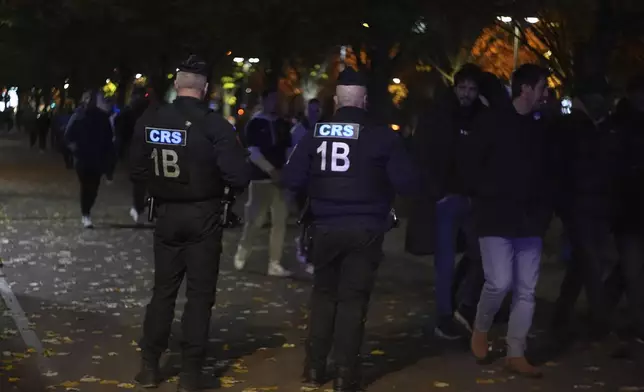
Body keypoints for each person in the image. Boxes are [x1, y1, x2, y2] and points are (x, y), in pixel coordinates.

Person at [282, 67, 419, 392]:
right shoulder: (382, 135)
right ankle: (345, 374)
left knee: (324, 295)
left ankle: (315, 367)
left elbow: (290, 179)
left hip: (325, 228)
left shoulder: (316, 132)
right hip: (365, 230)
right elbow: (408, 183)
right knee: (353, 301)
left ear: (335, 100)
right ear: (365, 101)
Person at [130, 55, 250, 392]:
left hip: (166, 214)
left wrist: (159, 188)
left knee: (163, 292)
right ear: (206, 88)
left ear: (176, 84)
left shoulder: (152, 118)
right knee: (199, 295)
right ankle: (190, 373)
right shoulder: (214, 126)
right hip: (204, 215)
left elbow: (136, 169)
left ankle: (150, 365)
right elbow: (239, 174)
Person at [469, 64, 552, 377]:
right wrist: (488, 193)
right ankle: (481, 327)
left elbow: (549, 171)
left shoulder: (541, 127)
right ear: (526, 88)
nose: (546, 94)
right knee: (499, 282)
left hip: (529, 220)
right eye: (542, 87)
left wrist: (545, 208)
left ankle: (516, 351)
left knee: (526, 289)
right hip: (495, 217)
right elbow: (471, 165)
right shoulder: (492, 123)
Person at [413, 64, 486, 339]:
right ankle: (445, 314)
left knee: (479, 255)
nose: (466, 94)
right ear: (455, 88)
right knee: (445, 261)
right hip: (447, 198)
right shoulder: (440, 116)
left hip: (469, 197)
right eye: (463, 88)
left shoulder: (478, 118)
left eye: (471, 89)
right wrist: (437, 191)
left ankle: (458, 306)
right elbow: (424, 153)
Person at [550, 80, 622, 342]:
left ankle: (563, 312)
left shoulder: (583, 126)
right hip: (582, 204)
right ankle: (600, 321)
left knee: (584, 261)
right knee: (589, 261)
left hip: (584, 203)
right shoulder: (578, 127)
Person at [234, 88, 293, 277]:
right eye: (272, 100)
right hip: (261, 178)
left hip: (281, 180)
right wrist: (270, 170)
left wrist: (286, 170)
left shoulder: (283, 124)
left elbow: (289, 149)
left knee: (279, 222)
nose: (275, 104)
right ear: (264, 100)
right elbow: (252, 151)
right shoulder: (255, 123)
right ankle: (244, 249)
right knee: (255, 220)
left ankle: (274, 262)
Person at [613, 74, 644, 344]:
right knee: (632, 270)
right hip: (628, 208)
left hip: (629, 208)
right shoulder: (623, 125)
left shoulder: (621, 123)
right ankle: (637, 321)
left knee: (630, 269)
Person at [64, 91, 116, 228]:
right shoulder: (78, 116)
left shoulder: (102, 117)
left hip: (97, 158)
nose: (90, 102)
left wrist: (109, 162)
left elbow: (109, 140)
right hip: (82, 158)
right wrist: (74, 148)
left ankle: (87, 209)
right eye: (88, 99)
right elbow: (68, 135)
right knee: (86, 186)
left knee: (94, 188)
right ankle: (85, 213)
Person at [290, 98, 322, 271]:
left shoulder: (322, 129)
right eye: (312, 110)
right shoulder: (300, 130)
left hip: (318, 182)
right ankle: (306, 249)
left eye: (317, 110)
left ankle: (311, 251)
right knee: (306, 218)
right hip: (305, 182)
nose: (314, 114)